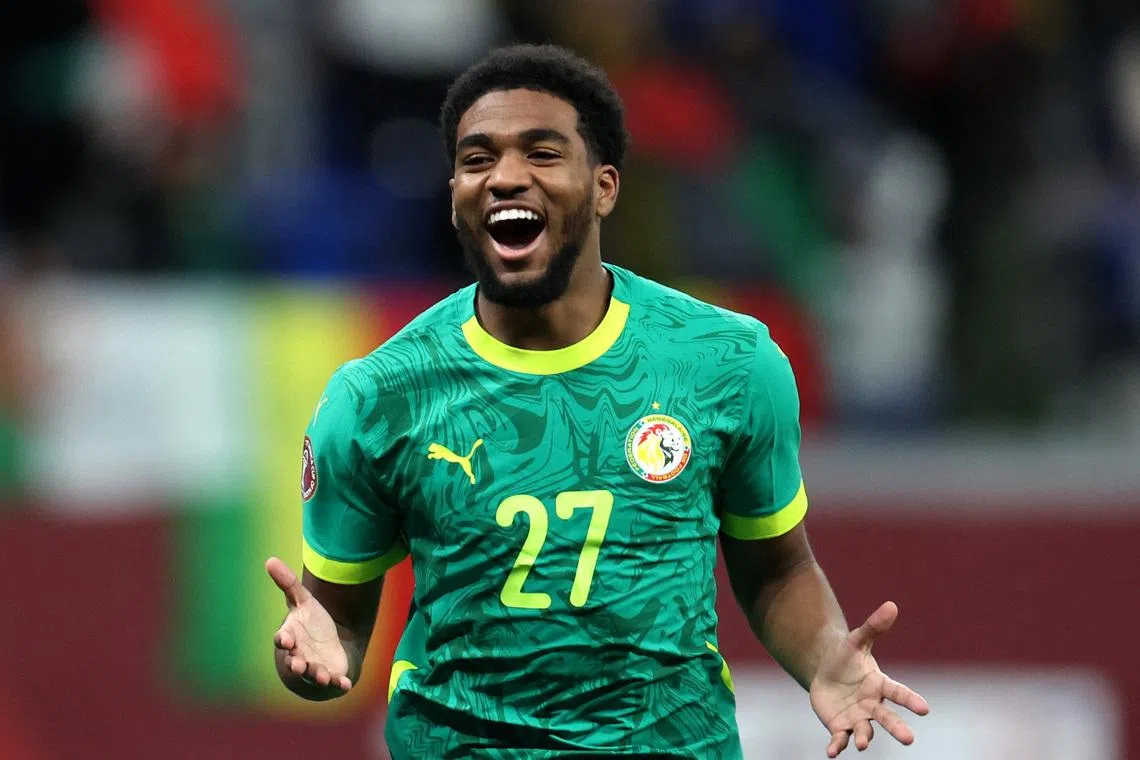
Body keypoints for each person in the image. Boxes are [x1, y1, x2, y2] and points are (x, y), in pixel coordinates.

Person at [266, 44, 929, 759]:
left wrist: (824, 654)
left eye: (542, 153)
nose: (506, 177)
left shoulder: (727, 364)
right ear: (454, 187)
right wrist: (304, 663)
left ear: (604, 185)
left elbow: (777, 567)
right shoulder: (376, 397)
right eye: (478, 158)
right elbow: (336, 630)